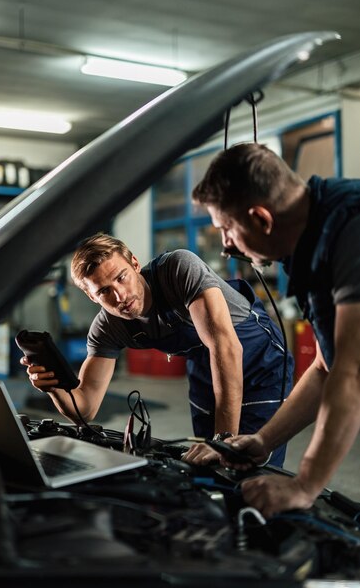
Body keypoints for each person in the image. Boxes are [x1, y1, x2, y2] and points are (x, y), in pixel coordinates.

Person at [192, 141, 360, 517]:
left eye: (227, 229)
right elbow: (325, 367)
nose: (226, 245)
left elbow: (352, 374)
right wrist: (264, 439)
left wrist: (304, 486)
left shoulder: (351, 228)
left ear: (261, 219)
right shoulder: (315, 243)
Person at [22, 233, 293, 466]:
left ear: (135, 264)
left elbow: (225, 347)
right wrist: (54, 387)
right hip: (206, 369)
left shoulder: (178, 270)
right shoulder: (108, 327)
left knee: (247, 462)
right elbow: (85, 408)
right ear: (91, 296)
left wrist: (222, 441)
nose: (120, 296)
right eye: (104, 291)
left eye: (121, 277)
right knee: (205, 465)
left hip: (260, 363)